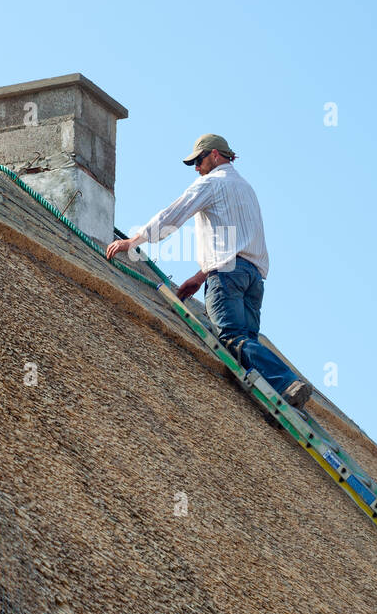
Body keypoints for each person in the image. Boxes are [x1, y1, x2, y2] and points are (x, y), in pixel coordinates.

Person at [105, 133, 313, 409]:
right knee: (248, 342)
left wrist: (133, 241)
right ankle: (275, 400)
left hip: (227, 277)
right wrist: (201, 275)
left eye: (199, 160)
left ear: (215, 155)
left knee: (231, 337)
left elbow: (172, 216)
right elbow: (238, 244)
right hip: (253, 278)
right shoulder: (247, 189)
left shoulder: (211, 183)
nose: (196, 168)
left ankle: (287, 382)